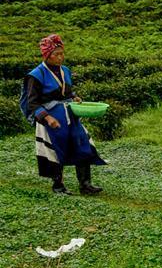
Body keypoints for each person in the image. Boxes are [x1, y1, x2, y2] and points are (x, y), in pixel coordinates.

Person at [22, 34, 105, 195]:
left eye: (62, 53)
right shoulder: (36, 75)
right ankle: (58, 185)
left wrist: (74, 97)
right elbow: (32, 102)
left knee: (82, 142)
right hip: (50, 118)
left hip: (68, 115)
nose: (60, 57)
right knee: (55, 149)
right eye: (56, 54)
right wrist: (47, 117)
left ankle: (85, 184)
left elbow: (65, 91)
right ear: (46, 55)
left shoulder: (65, 70)